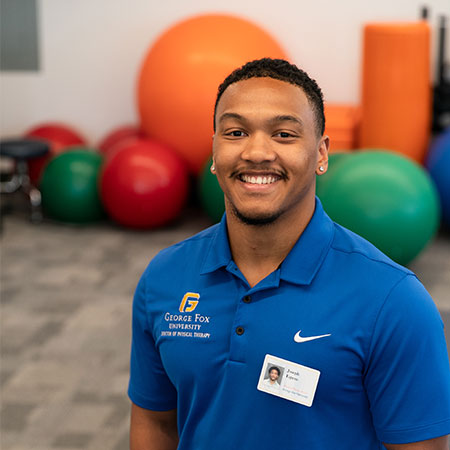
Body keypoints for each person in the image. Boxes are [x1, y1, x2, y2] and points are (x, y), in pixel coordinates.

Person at [128, 58, 450, 449]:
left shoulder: (393, 301)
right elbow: (156, 423)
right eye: (235, 132)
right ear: (214, 151)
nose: (257, 152)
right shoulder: (164, 277)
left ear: (321, 154)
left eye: (283, 134)